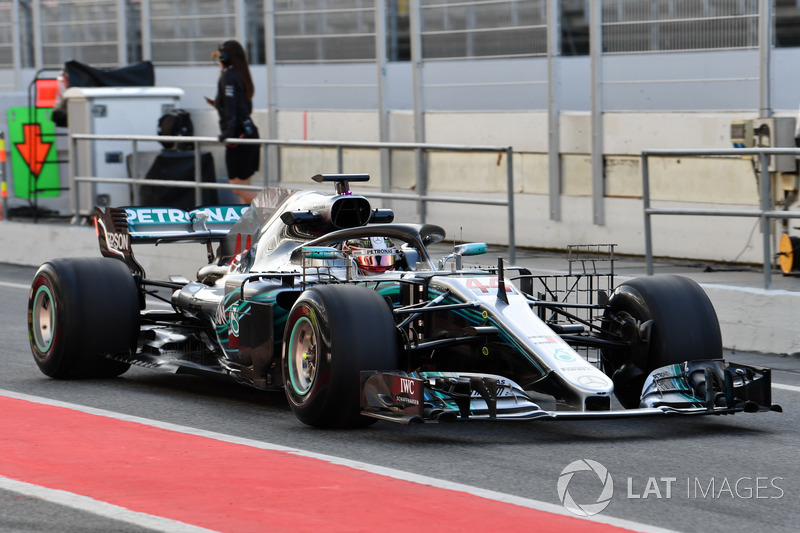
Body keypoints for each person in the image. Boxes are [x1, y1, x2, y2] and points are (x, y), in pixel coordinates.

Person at [207, 40, 260, 204]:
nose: (216, 59)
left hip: (239, 138)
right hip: (249, 135)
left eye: (217, 55)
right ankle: (250, 228)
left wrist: (226, 134)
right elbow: (243, 108)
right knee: (245, 187)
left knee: (238, 188)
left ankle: (276, 213)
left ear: (224, 56)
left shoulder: (228, 75)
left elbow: (232, 109)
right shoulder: (239, 74)